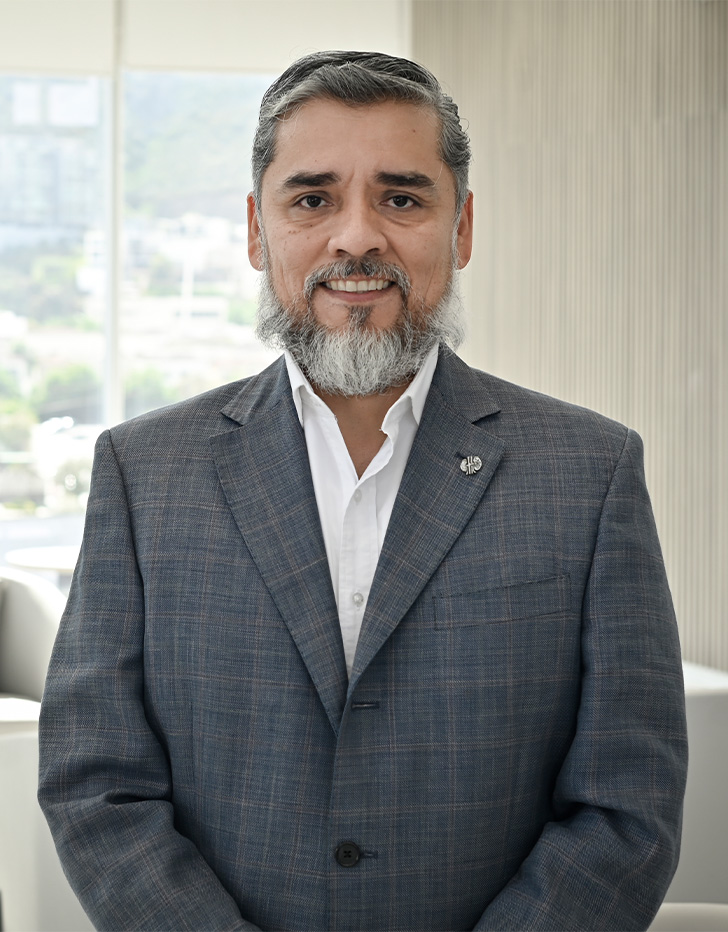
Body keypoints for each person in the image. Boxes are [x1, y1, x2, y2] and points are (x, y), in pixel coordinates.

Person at [38, 51, 688, 932]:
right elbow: (95, 781)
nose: (356, 237)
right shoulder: (143, 472)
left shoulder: (590, 471)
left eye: (402, 197)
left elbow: (627, 807)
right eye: (312, 199)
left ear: (460, 228)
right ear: (256, 231)